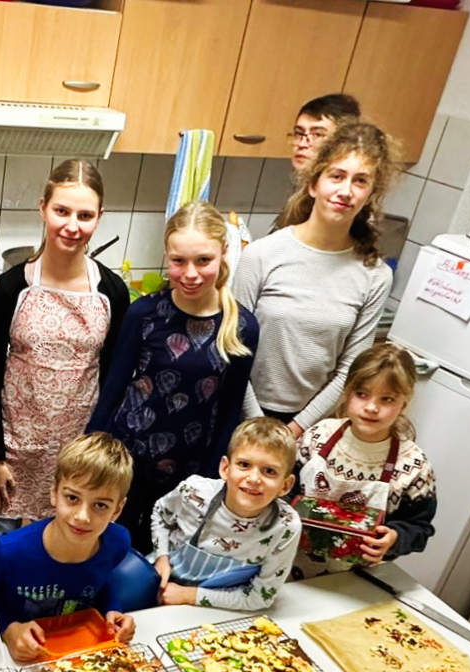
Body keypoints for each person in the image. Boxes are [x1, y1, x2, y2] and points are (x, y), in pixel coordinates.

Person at [0, 159, 130, 549]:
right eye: (61, 211)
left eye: (85, 215)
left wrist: (98, 453)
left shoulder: (112, 292)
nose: (72, 225)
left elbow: (113, 380)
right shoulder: (13, 287)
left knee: (64, 552)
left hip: (76, 456)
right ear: (42, 207)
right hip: (13, 450)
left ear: (99, 218)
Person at [90, 202, 259, 552]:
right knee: (113, 547)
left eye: (203, 260)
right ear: (167, 256)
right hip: (128, 457)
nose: (190, 273)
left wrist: (212, 478)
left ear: (223, 254)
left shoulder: (242, 326)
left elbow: (230, 410)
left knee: (165, 555)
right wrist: (91, 450)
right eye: (178, 261)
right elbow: (113, 387)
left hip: (190, 469)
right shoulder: (145, 313)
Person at [235, 121, 399, 437]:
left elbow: (350, 370)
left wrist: (296, 429)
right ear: (314, 184)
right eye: (336, 176)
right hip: (239, 413)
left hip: (312, 427)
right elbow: (232, 349)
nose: (346, 191)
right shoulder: (261, 255)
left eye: (360, 181)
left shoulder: (375, 275)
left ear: (371, 194)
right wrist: (258, 423)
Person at [0, 433, 139, 664]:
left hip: (76, 651)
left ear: (117, 509)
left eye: (100, 505)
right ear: (54, 493)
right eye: (72, 498)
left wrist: (111, 610)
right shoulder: (6, 552)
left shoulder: (118, 543)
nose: (82, 517)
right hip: (18, 659)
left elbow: (100, 582)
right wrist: (8, 628)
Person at [292, 342, 436, 576]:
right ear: (347, 394)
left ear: (404, 405)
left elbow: (419, 528)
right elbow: (285, 490)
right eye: (362, 394)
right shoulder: (317, 437)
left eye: (387, 399)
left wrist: (395, 538)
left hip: (355, 577)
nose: (371, 407)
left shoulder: (414, 467)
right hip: (290, 565)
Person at [149, 418, 302, 612]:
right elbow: (160, 514)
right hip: (161, 586)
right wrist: (161, 557)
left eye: (269, 471)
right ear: (225, 468)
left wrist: (188, 595)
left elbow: (259, 597)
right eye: (244, 464)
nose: (254, 479)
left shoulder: (286, 527)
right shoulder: (193, 491)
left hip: (223, 608)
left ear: (286, 485)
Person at [273, 93, 364, 228]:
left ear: (344, 143)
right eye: (299, 133)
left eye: (317, 135)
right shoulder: (303, 198)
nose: (302, 144)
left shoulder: (336, 204)